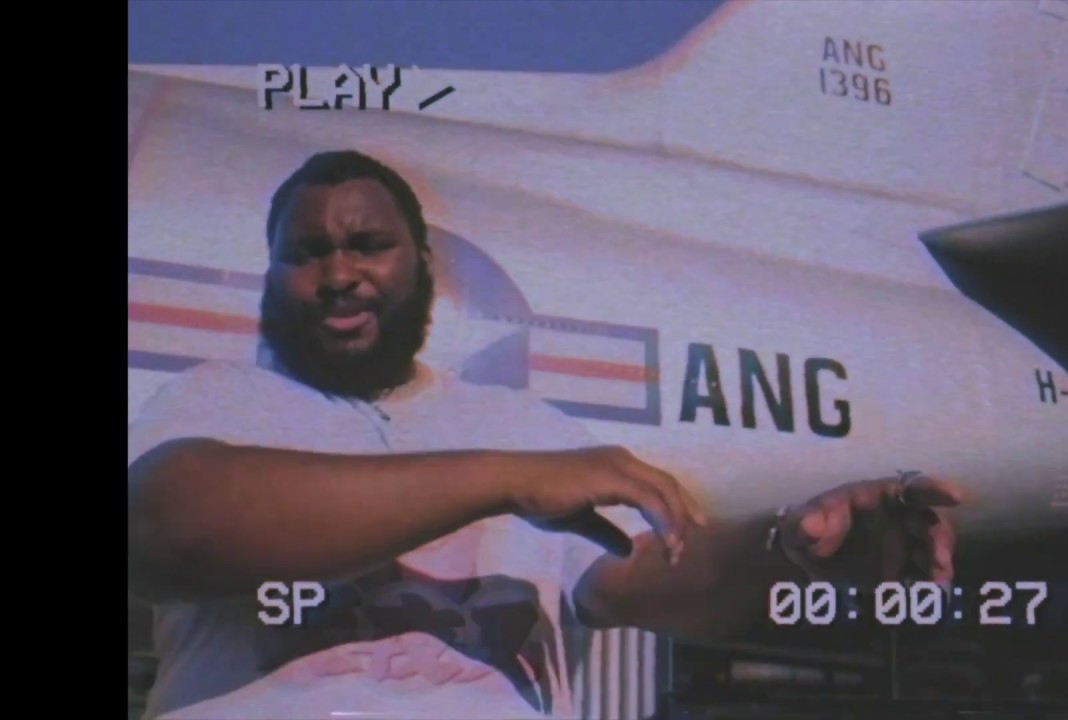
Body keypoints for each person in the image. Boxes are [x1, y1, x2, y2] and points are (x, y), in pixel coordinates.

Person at [126, 150, 964, 720]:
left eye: (368, 246)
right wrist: (506, 481)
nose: (339, 272)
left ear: (424, 264)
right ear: (272, 276)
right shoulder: (217, 401)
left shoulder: (528, 428)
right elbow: (172, 530)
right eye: (306, 253)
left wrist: (794, 547)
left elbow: (652, 576)